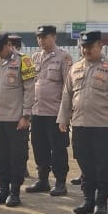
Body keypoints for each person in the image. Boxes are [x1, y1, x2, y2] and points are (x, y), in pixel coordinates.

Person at [57, 30, 108, 214]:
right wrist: (63, 118)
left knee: (104, 165)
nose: (86, 50)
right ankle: (88, 200)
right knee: (85, 163)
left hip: (103, 126)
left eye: (90, 47)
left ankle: (101, 201)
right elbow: (67, 94)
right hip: (80, 124)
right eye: (83, 47)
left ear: (100, 46)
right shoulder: (75, 68)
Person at [0, 32, 37, 206]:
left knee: (17, 157)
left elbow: (30, 90)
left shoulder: (23, 61)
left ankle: (14, 192)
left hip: (16, 120)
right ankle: (3, 190)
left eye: (0, 50)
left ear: (9, 45)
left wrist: (26, 115)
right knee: (1, 157)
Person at [27, 25, 73, 196]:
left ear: (54, 37)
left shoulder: (63, 57)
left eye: (44, 37)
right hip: (37, 111)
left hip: (55, 113)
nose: (41, 40)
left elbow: (68, 87)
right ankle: (43, 180)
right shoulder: (35, 57)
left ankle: (60, 182)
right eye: (39, 37)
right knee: (39, 146)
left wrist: (66, 114)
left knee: (58, 148)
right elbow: (31, 83)